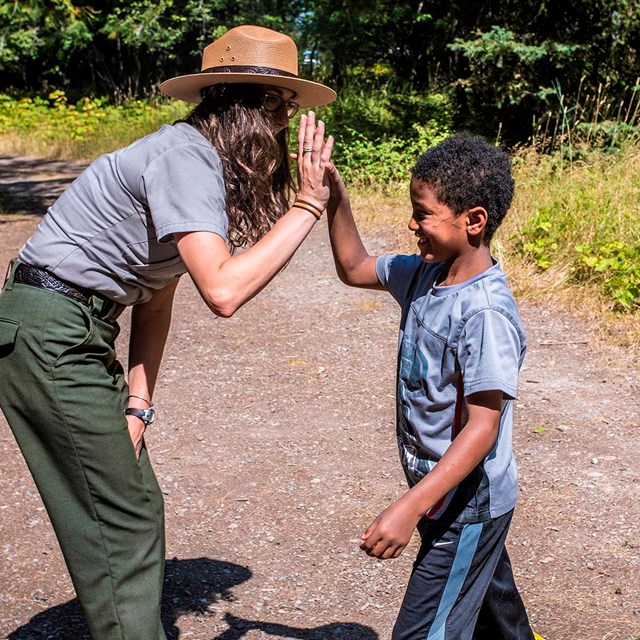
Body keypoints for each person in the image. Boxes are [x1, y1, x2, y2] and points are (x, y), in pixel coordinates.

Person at [0, 25, 335, 640]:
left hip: (73, 330)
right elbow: (225, 291)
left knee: (134, 504)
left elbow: (156, 299)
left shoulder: (197, 161)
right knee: (122, 517)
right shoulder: (185, 159)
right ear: (249, 108)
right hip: (47, 330)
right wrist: (307, 206)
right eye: (282, 108)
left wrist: (139, 405)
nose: (287, 125)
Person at [325, 134, 537, 639]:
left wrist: (409, 505)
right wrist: (336, 199)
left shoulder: (484, 312)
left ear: (474, 220)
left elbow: (483, 427)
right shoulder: (425, 275)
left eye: (423, 214)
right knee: (493, 610)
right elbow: (355, 268)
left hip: (465, 502)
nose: (411, 224)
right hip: (445, 495)